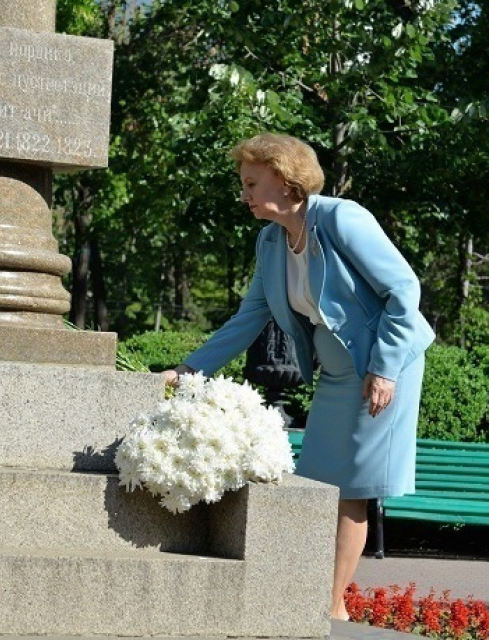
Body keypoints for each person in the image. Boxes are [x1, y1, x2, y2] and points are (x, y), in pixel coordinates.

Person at [161, 132, 435, 621]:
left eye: (250, 183)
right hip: (335, 374)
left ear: (286, 183)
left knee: (352, 488)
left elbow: (404, 289)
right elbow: (249, 318)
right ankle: (316, 600)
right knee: (318, 484)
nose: (242, 194)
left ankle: (329, 609)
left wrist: (384, 369)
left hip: (382, 369)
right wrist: (188, 369)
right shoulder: (270, 241)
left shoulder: (341, 218)